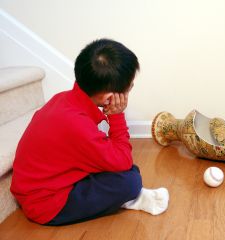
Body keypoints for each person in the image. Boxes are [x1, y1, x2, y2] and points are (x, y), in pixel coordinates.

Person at [10, 38, 169, 225]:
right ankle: (131, 199)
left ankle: (126, 197)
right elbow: (124, 162)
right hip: (46, 204)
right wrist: (117, 115)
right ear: (110, 97)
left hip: (46, 182)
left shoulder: (63, 99)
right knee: (130, 180)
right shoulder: (77, 125)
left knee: (118, 169)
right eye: (130, 87)